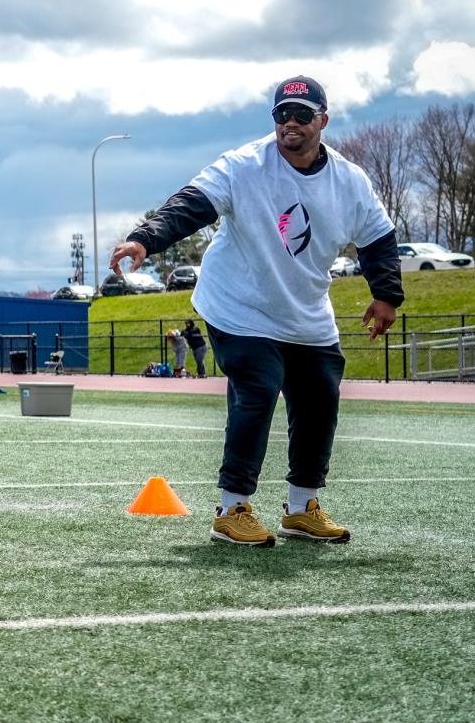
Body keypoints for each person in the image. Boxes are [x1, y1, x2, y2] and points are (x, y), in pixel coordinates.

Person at [108, 75, 403, 548]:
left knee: (320, 397)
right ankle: (231, 508)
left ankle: (302, 507)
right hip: (238, 305)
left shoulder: (349, 181)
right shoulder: (245, 166)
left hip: (305, 310)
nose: (290, 123)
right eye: (281, 114)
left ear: (322, 120)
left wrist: (386, 295)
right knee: (259, 389)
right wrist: (146, 237)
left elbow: (379, 240)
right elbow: (192, 203)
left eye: (302, 115)